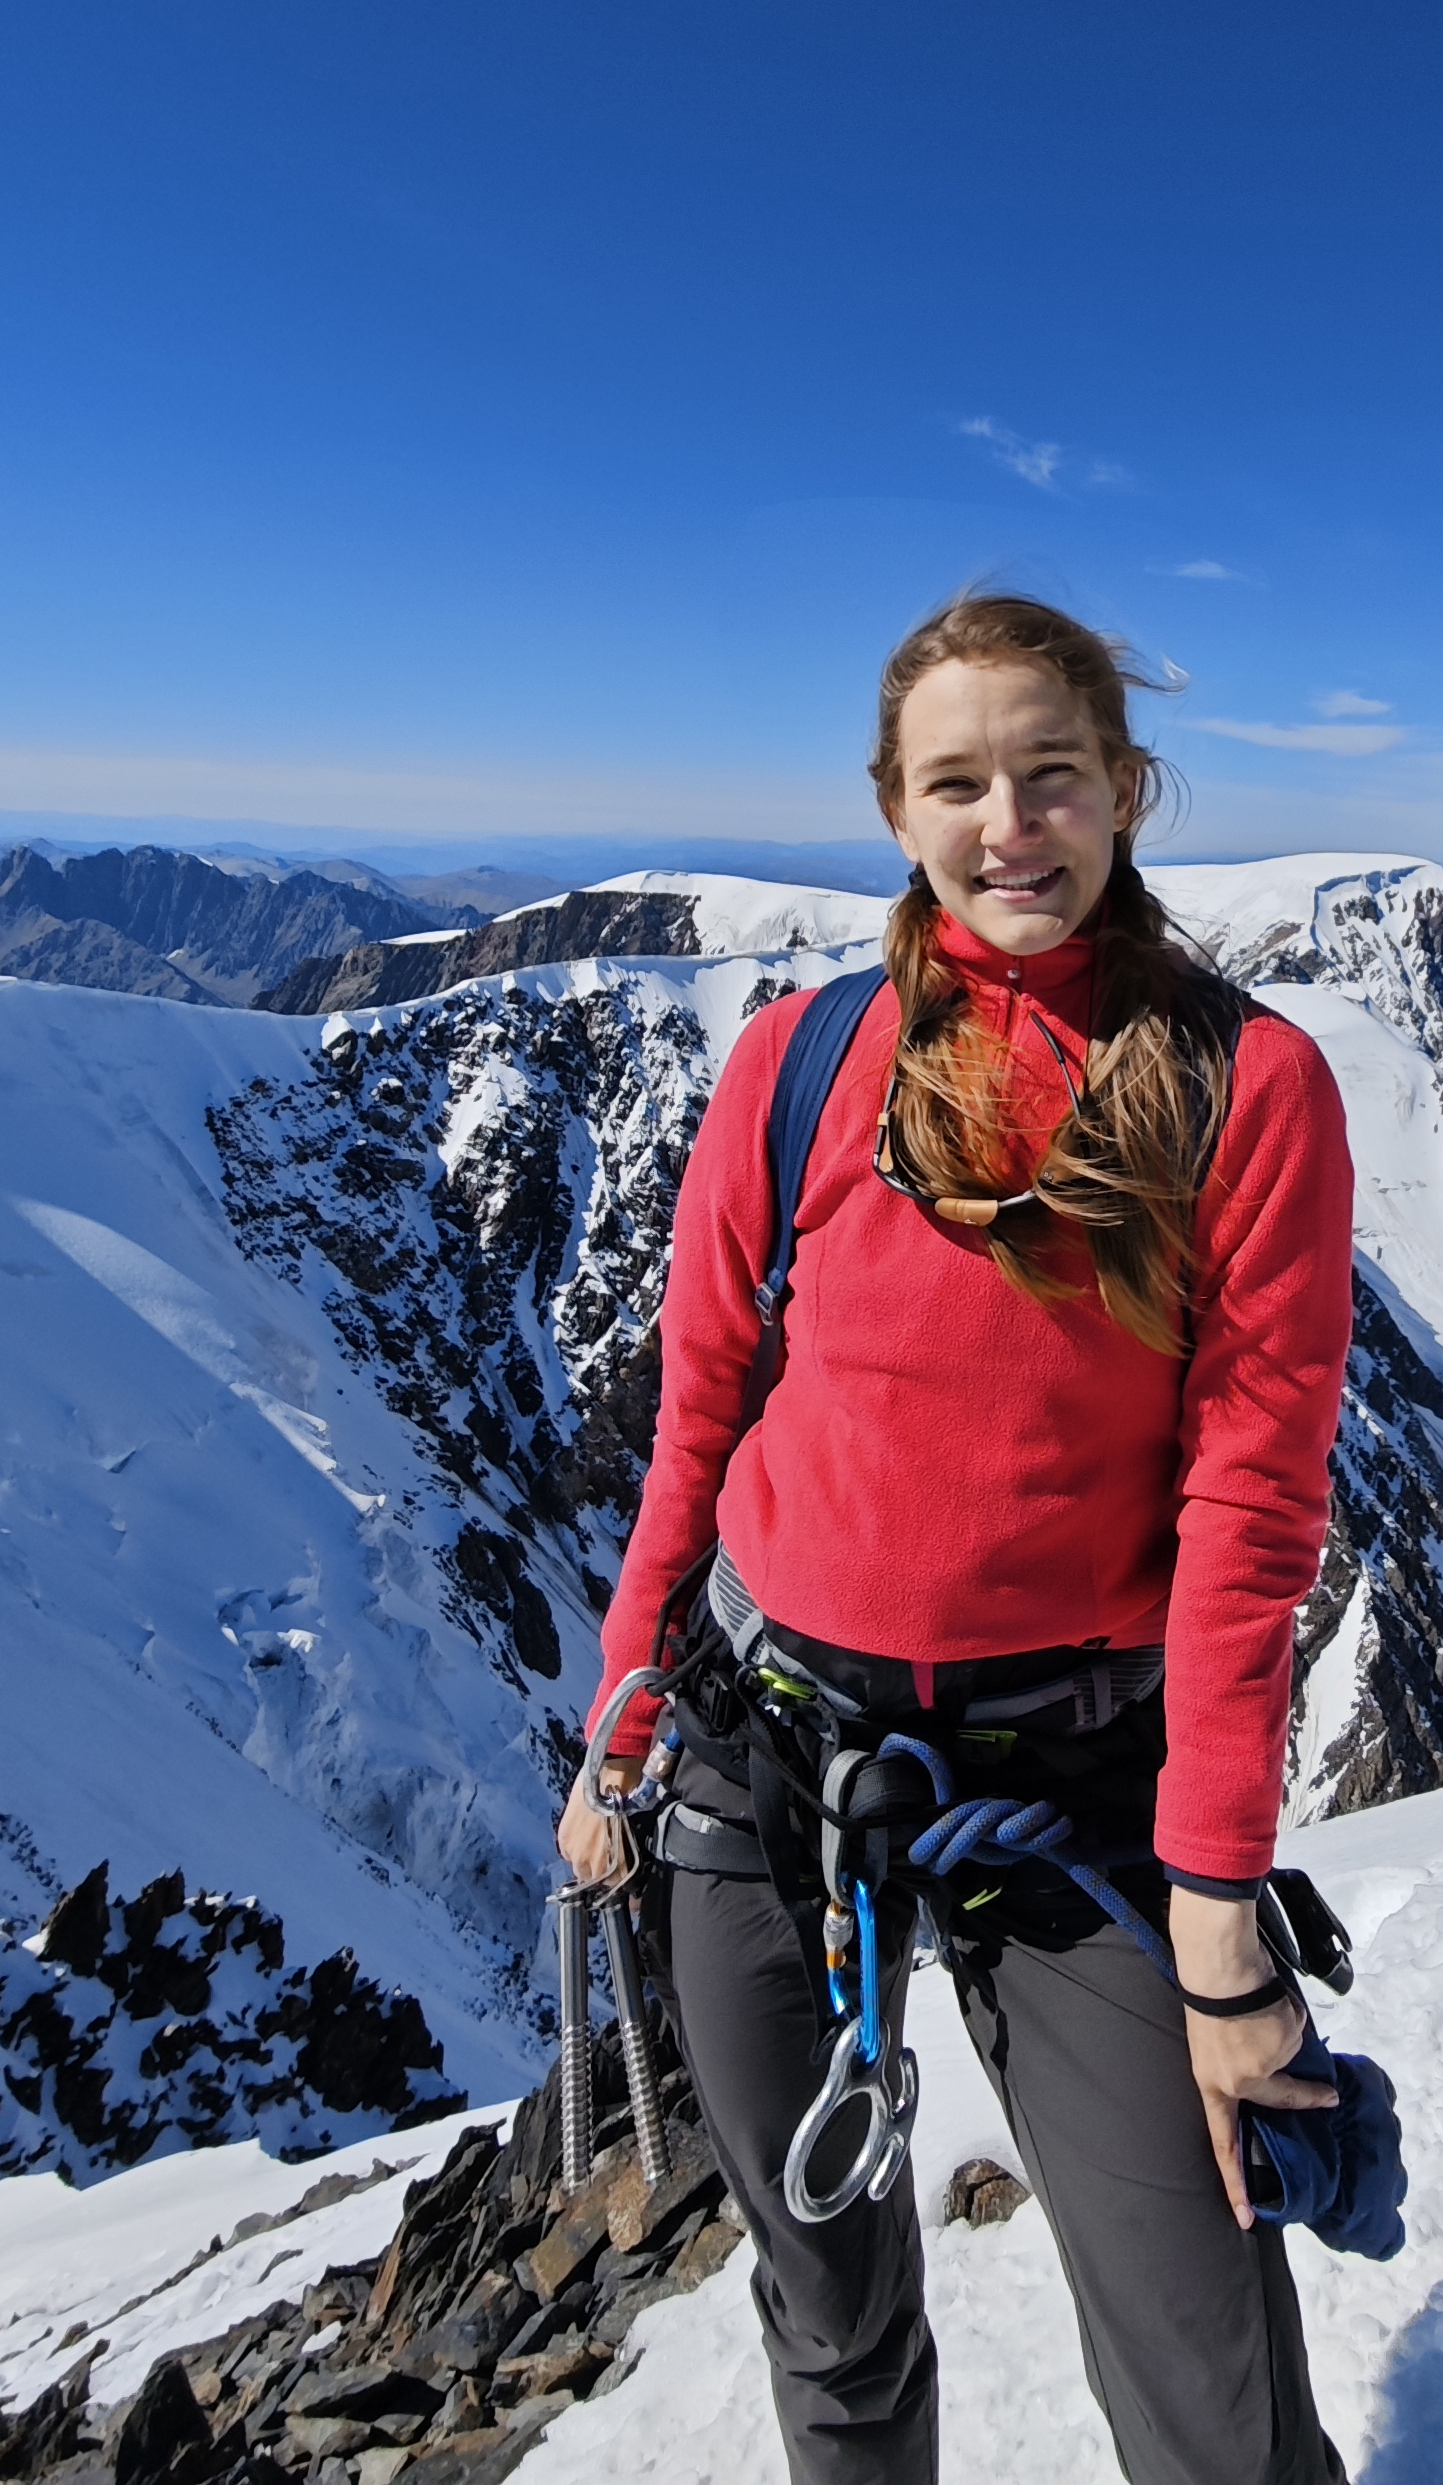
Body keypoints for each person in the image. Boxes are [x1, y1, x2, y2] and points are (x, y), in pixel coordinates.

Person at [557, 592, 1356, 2485]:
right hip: (762, 1747)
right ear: (895, 809)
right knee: (826, 2312)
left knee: (1204, 2359)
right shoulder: (799, 1067)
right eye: (959, 784)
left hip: (1071, 1776)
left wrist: (1220, 1909)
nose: (1011, 825)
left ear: (1127, 788)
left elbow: (1251, 1513)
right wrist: (627, 1711)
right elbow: (702, 1415)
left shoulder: (1248, 1089)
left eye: (1052, 773)